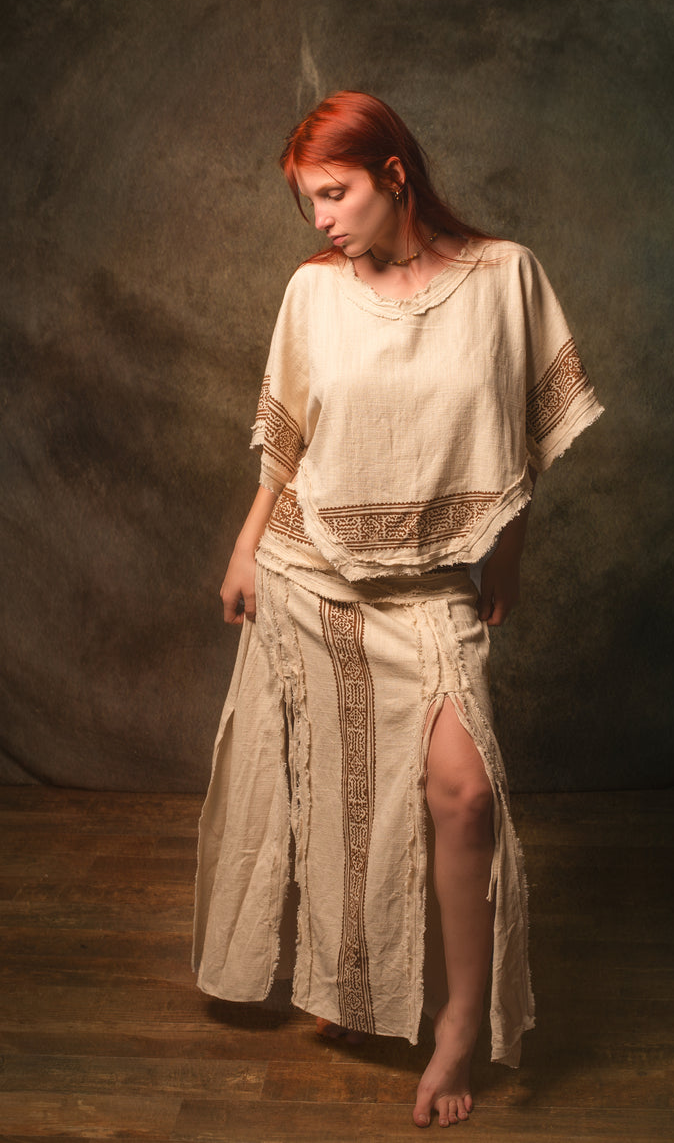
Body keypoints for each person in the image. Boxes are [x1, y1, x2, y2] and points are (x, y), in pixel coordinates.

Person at [193, 90, 603, 1128]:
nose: (321, 218)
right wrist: (244, 545)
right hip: (310, 574)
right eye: (308, 201)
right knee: (346, 791)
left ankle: (460, 1021)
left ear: (393, 174)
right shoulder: (312, 292)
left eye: (334, 193)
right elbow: (285, 439)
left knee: (460, 794)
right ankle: (355, 984)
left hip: (427, 588)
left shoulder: (505, 278)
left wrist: (507, 556)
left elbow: (523, 437)